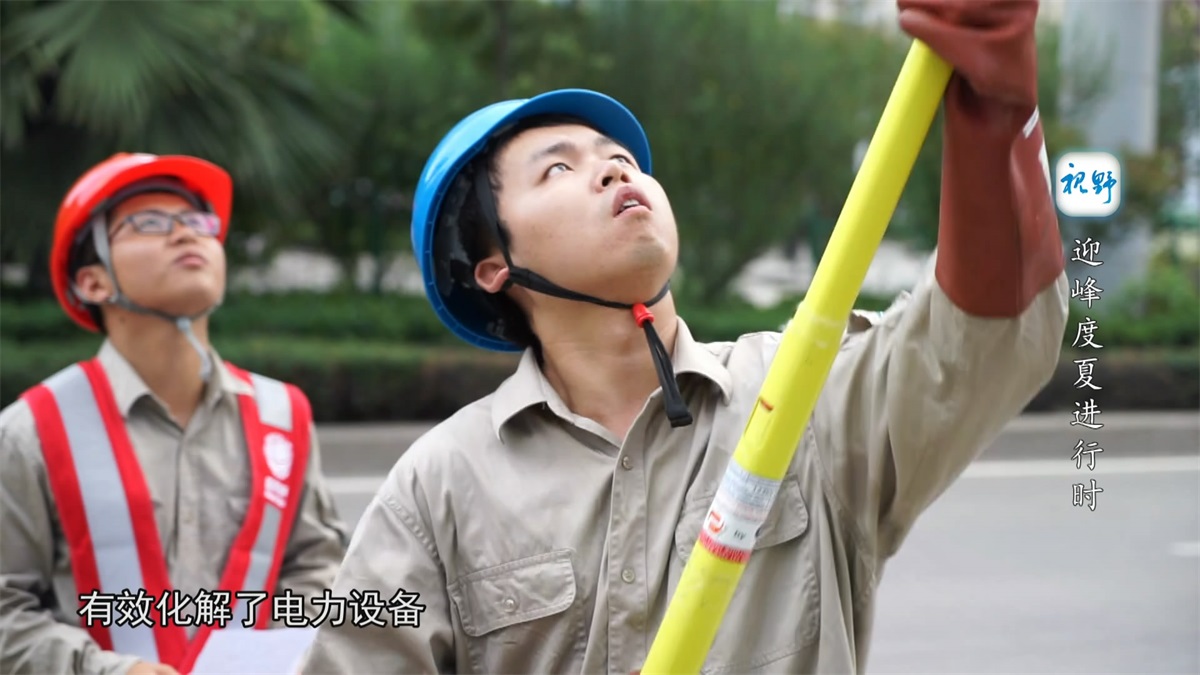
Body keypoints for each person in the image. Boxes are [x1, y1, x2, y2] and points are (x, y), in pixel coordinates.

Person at [300, 0, 1069, 672]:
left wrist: (996, 117)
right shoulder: (439, 486)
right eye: (558, 169)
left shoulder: (801, 396)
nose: (612, 173)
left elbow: (985, 339)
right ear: (494, 267)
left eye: (622, 159)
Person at [0, 153, 349, 675]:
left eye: (198, 222)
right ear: (93, 283)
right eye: (149, 223)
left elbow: (315, 574)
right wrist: (112, 671)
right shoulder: (31, 431)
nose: (186, 234)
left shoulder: (284, 417)